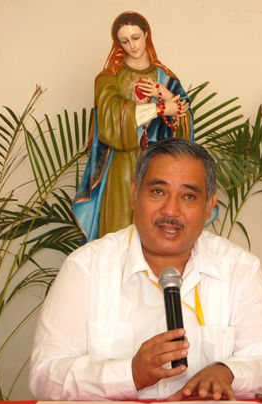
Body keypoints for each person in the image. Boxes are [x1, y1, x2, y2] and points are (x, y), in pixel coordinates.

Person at [30, 138, 262, 400]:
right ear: (134, 195)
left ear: (210, 207)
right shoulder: (86, 267)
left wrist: (228, 373)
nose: (171, 210)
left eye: (188, 196)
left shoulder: (240, 270)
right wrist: (130, 374)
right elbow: (45, 375)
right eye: (158, 192)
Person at [73, 11, 193, 242]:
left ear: (146, 34)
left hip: (158, 165)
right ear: (118, 43)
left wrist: (167, 95)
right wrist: (160, 109)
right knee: (120, 228)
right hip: (122, 165)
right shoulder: (109, 79)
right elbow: (110, 120)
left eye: (136, 37)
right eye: (125, 41)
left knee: (158, 227)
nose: (132, 45)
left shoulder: (166, 78)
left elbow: (184, 118)